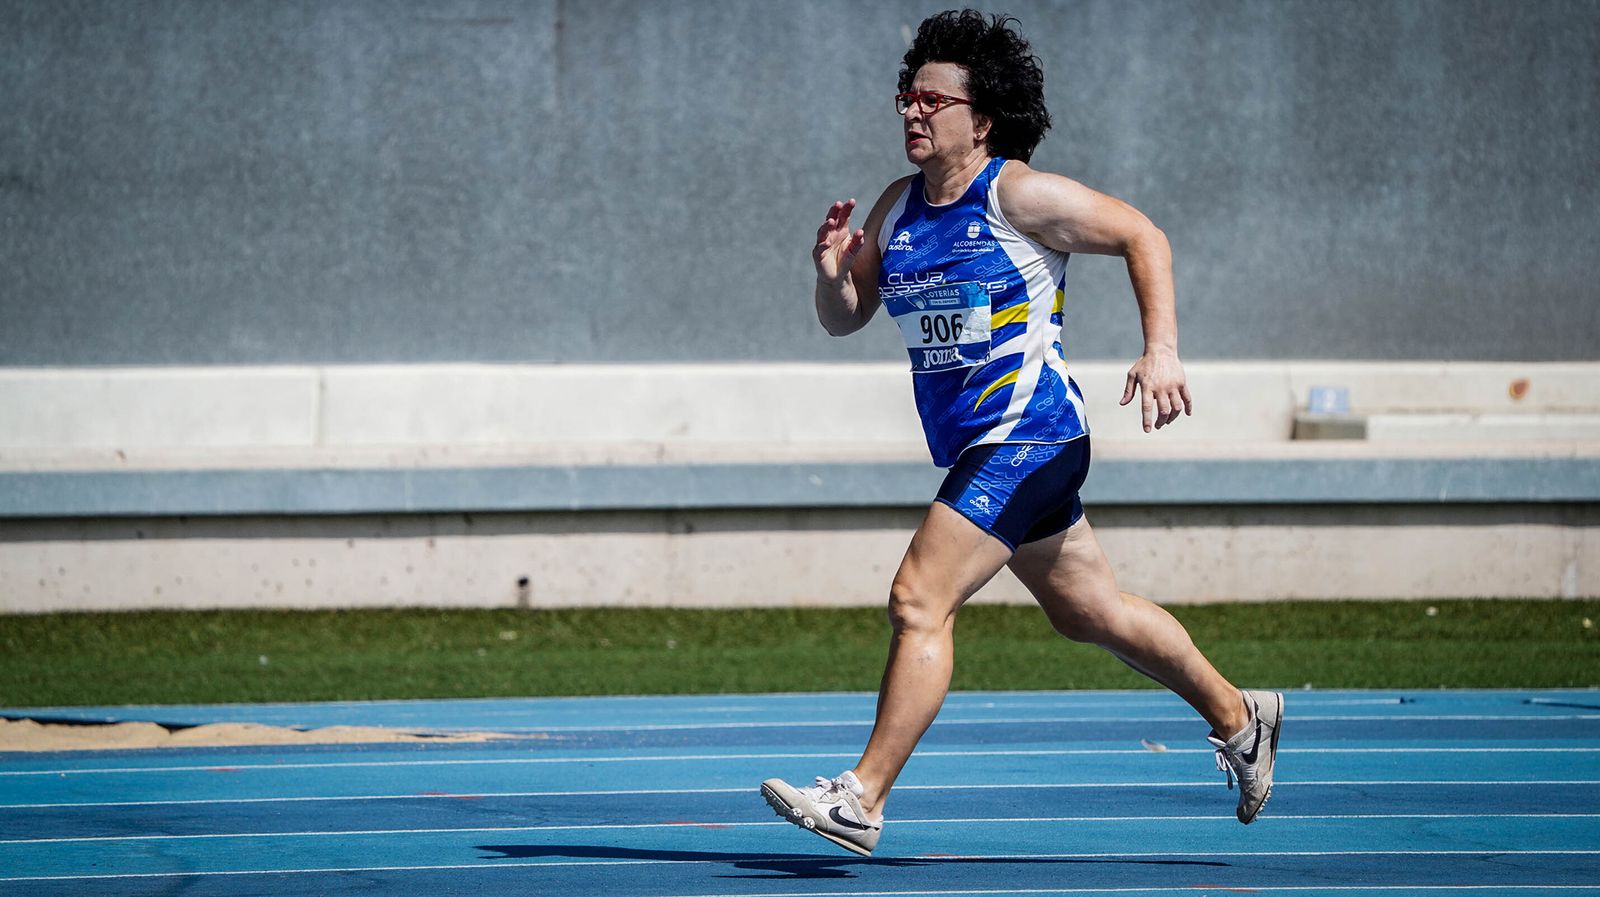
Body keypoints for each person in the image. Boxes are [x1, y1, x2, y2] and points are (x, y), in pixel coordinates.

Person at [759, 10, 1282, 857]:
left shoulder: (1015, 195)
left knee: (918, 598)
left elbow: (1142, 234)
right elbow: (844, 317)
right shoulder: (897, 208)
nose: (913, 110)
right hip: (984, 448)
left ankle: (862, 797)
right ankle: (1241, 715)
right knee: (1090, 612)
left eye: (933, 99)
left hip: (1030, 432)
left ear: (983, 119)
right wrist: (829, 277)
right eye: (906, 96)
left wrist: (1162, 349)